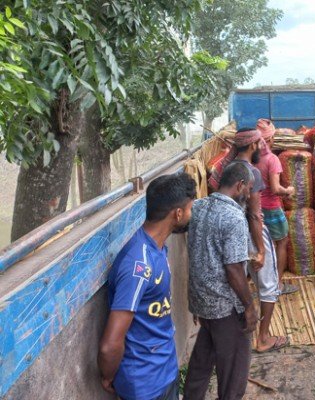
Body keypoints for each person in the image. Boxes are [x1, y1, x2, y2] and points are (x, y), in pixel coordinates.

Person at [98, 173, 196, 400]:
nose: (191, 214)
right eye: (190, 209)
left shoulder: (158, 248)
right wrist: (108, 375)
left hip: (165, 370)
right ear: (178, 213)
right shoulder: (138, 265)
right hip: (144, 385)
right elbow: (109, 345)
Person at [184, 162, 257, 399]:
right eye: (249, 188)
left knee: (201, 365)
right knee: (234, 375)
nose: (249, 194)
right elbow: (234, 269)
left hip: (203, 303)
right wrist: (248, 306)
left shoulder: (199, 207)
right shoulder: (234, 217)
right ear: (240, 185)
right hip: (226, 307)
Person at [232, 127, 289, 353]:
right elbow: (255, 214)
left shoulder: (228, 168)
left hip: (232, 232)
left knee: (237, 281)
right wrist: (262, 249)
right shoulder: (251, 172)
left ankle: (239, 334)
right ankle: (263, 338)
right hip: (251, 232)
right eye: (259, 144)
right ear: (253, 145)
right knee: (269, 285)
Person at [254, 119, 298, 295]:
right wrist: (288, 190)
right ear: (271, 139)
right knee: (281, 243)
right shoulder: (272, 160)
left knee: (262, 247)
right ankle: (277, 284)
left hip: (256, 209)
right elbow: (275, 188)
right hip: (272, 208)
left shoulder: (253, 159)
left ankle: (262, 285)